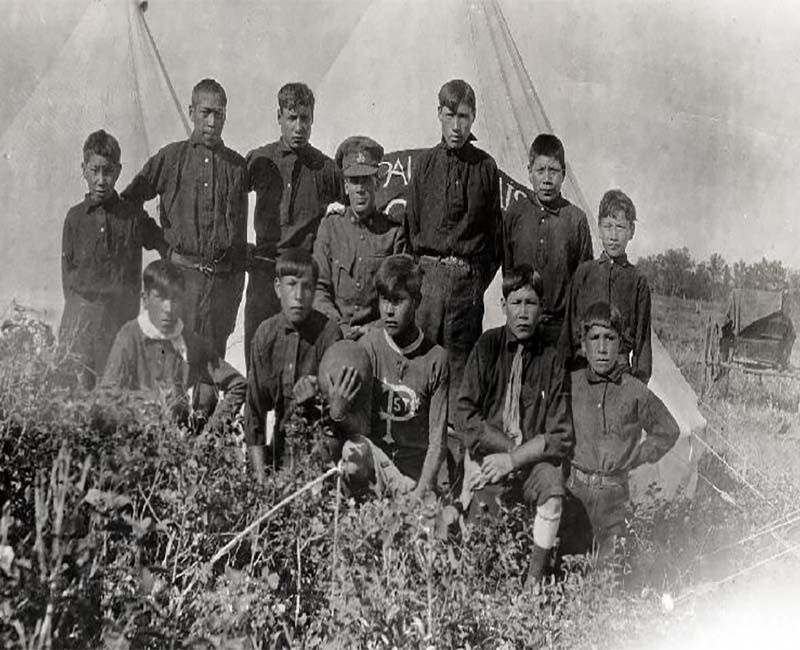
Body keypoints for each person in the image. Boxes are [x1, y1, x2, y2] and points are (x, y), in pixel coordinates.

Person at [406, 78, 503, 478]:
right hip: (427, 283)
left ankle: (459, 482)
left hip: (466, 286)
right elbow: (411, 229)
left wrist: (474, 282)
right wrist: (423, 278)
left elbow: (494, 240)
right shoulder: (425, 164)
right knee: (422, 371)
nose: (457, 125)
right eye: (450, 115)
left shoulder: (485, 168)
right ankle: (415, 470)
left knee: (461, 380)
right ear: (439, 114)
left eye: (464, 116)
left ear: (473, 118)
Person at [456, 265, 573, 586]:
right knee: (479, 550)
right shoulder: (487, 347)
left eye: (531, 303)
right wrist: (507, 453)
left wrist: (517, 458)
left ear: (542, 309)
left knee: (553, 491)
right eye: (516, 302)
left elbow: (560, 434)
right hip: (490, 456)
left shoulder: (552, 359)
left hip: (531, 464)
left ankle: (534, 582)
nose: (523, 312)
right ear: (503, 305)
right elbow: (466, 415)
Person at [121, 78, 248, 358]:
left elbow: (239, 239)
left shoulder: (237, 167)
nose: (212, 122)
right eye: (205, 113)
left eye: (219, 114)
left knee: (212, 367)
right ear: (192, 113)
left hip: (220, 288)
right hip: (180, 282)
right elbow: (129, 202)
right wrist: (158, 241)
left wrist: (233, 293)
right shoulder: (171, 158)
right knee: (172, 364)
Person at [563, 301, 679, 563]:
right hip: (575, 492)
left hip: (614, 498)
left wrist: (637, 456)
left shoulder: (634, 390)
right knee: (569, 569)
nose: (602, 348)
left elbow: (668, 430)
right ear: (583, 344)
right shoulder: (572, 384)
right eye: (594, 338)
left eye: (609, 338)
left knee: (609, 574)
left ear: (620, 344)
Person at [329, 255, 448, 499]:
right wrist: (340, 412)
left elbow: (437, 440)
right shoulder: (369, 347)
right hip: (377, 461)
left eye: (398, 301)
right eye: (384, 300)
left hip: (415, 471)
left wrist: (422, 490)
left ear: (416, 302)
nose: (389, 311)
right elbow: (361, 426)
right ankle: (360, 505)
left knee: (429, 526)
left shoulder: (436, 358)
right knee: (353, 453)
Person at [244, 82, 343, 367]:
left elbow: (351, 209)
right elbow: (231, 202)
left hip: (302, 274)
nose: (299, 127)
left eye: (305, 118)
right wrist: (242, 247)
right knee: (258, 350)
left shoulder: (324, 169)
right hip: (264, 271)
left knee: (300, 356)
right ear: (279, 117)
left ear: (312, 119)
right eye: (291, 118)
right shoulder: (259, 160)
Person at [60, 129, 164, 390]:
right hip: (81, 324)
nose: (101, 180)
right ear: (83, 169)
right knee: (78, 398)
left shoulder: (132, 217)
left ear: (118, 171)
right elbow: (68, 278)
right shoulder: (75, 218)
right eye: (94, 171)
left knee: (116, 396)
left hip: (119, 322)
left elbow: (164, 244)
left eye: (108, 172)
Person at [101, 260, 246, 432]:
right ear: (145, 300)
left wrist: (211, 433)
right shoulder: (129, 337)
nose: (168, 308)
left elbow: (238, 384)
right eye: (160, 298)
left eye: (175, 299)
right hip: (137, 440)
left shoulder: (189, 341)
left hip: (178, 443)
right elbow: (107, 398)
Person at [244, 248, 342, 482]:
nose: (298, 295)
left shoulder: (329, 334)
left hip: (322, 446)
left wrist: (320, 395)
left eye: (307, 286)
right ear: (278, 287)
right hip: (281, 447)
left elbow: (343, 415)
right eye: (291, 284)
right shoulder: (265, 335)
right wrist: (260, 481)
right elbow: (254, 413)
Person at [313, 136, 407, 340]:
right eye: (354, 181)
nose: (360, 188)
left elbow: (400, 295)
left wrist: (372, 330)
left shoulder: (393, 233)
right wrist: (339, 328)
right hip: (334, 335)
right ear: (346, 186)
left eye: (366, 179)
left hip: (378, 338)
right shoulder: (330, 227)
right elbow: (319, 289)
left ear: (377, 183)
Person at [503, 133, 592, 348]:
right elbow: (507, 268)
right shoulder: (516, 213)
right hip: (521, 325)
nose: (546, 179)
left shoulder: (575, 219)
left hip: (559, 329)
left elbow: (584, 282)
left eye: (553, 171)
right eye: (540, 170)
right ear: (529, 173)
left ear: (563, 174)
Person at [560, 189, 652, 382]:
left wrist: (637, 382)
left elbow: (642, 342)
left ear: (631, 232)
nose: (613, 235)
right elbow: (569, 332)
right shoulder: (584, 273)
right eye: (608, 226)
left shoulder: (637, 281)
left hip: (621, 373)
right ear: (599, 229)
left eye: (620, 227)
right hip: (583, 370)